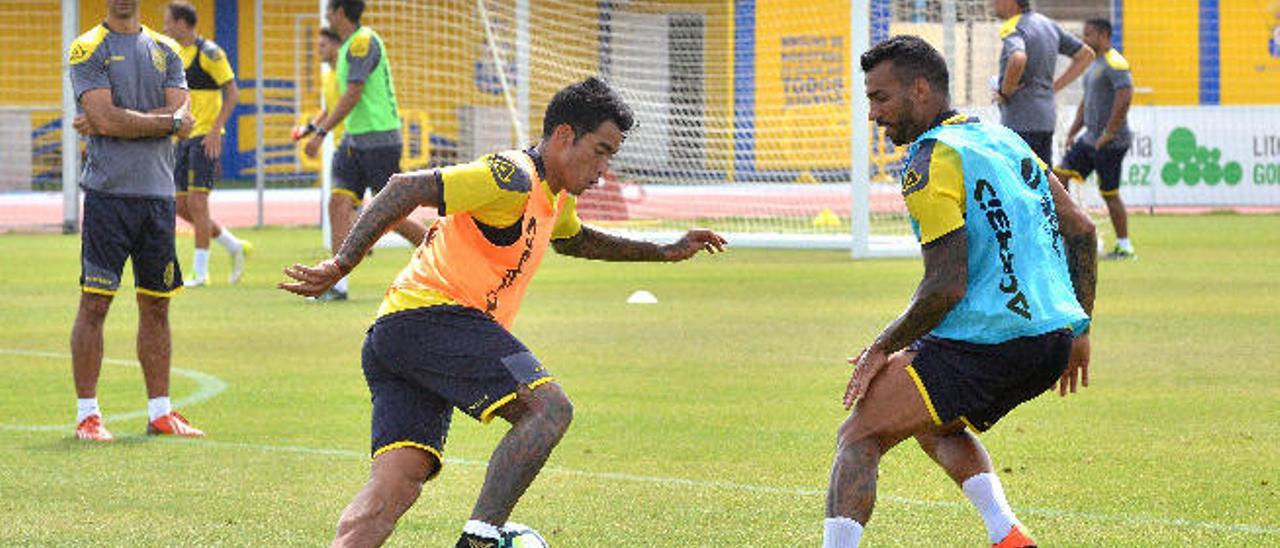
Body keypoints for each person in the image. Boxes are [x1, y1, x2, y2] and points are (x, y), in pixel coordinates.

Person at [280, 77, 727, 548]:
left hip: (398, 335)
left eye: (611, 155)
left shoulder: (554, 196)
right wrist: (341, 264)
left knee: (393, 491)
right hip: (433, 318)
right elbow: (404, 187)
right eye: (599, 150)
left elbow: (575, 239)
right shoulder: (509, 176)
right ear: (563, 136)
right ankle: (480, 540)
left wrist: (662, 251)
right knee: (549, 409)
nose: (604, 168)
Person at [823, 36, 1096, 547]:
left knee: (859, 435)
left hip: (989, 342)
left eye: (880, 98)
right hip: (1051, 340)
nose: (873, 114)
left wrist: (881, 345)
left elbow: (945, 287)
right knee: (934, 419)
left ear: (921, 90)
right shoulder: (1006, 140)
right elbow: (1082, 229)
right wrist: (1079, 327)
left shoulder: (931, 162)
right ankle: (1007, 535)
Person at [68, 0, 205, 441]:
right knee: (95, 302)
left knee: (157, 304)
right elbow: (106, 119)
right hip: (109, 197)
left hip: (157, 198)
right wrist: (162, 122)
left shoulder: (166, 50)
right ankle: (88, 415)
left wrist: (124, 122)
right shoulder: (87, 48)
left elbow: (184, 122)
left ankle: (160, 412)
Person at [303, 0, 426, 301]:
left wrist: (321, 132)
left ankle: (442, 249)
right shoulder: (345, 49)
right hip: (354, 141)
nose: (327, 17)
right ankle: (337, 285)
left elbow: (354, 93)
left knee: (389, 215)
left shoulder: (363, 42)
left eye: (329, 12)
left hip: (379, 139)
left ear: (340, 13)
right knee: (337, 204)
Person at [162, 1, 251, 287]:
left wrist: (215, 131)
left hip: (206, 138)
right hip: (184, 137)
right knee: (180, 205)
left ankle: (200, 273)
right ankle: (232, 244)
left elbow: (233, 93)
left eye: (168, 21)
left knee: (198, 203)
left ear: (182, 23)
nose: (165, 26)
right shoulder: (175, 54)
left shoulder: (210, 53)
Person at [1055, 18, 1137, 260]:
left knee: (1110, 194)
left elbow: (1125, 97)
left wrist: (1109, 133)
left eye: (1088, 34)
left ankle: (1125, 246)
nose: (1084, 38)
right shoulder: (1094, 64)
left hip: (1111, 141)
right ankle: (1072, 234)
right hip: (1090, 138)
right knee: (1059, 176)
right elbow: (1086, 101)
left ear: (1103, 35)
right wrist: (1073, 131)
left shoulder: (1116, 62)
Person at [993, 0, 1094, 165]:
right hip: (1045, 119)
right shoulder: (1047, 25)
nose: (993, 3)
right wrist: (1053, 87)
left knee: (1018, 181)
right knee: (1042, 181)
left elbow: (1018, 58)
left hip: (1020, 120)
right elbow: (1086, 55)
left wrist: (1006, 90)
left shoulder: (1012, 26)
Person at [293, 27, 346, 145]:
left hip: (356, 144)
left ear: (336, 46)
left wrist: (320, 134)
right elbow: (328, 110)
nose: (318, 50)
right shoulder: (327, 77)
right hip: (340, 144)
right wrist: (308, 129)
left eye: (323, 46)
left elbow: (346, 107)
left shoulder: (347, 75)